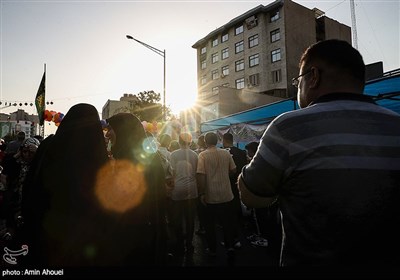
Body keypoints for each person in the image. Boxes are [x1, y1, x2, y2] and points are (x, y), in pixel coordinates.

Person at [239, 39, 400, 267]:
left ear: (313, 76)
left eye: (298, 81)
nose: (298, 88)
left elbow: (252, 197)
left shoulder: (288, 128)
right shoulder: (396, 125)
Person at [197, 132, 237, 261]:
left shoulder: (202, 155)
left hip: (211, 196)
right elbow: (233, 170)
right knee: (227, 223)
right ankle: (230, 247)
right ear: (217, 140)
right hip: (227, 195)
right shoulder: (226, 153)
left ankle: (213, 250)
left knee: (210, 225)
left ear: (205, 141)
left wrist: (202, 193)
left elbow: (201, 175)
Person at [169, 132, 198, 255]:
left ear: (179, 142)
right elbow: (196, 171)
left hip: (177, 188)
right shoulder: (195, 155)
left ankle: (179, 241)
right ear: (190, 142)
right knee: (190, 219)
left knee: (177, 218)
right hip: (192, 189)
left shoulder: (173, 154)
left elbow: (171, 173)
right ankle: (189, 243)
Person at [222, 132, 247, 248]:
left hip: (227, 184)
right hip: (240, 182)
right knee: (238, 207)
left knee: (228, 211)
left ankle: (232, 236)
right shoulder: (241, 152)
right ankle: (242, 232)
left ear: (224, 140)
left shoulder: (223, 152)